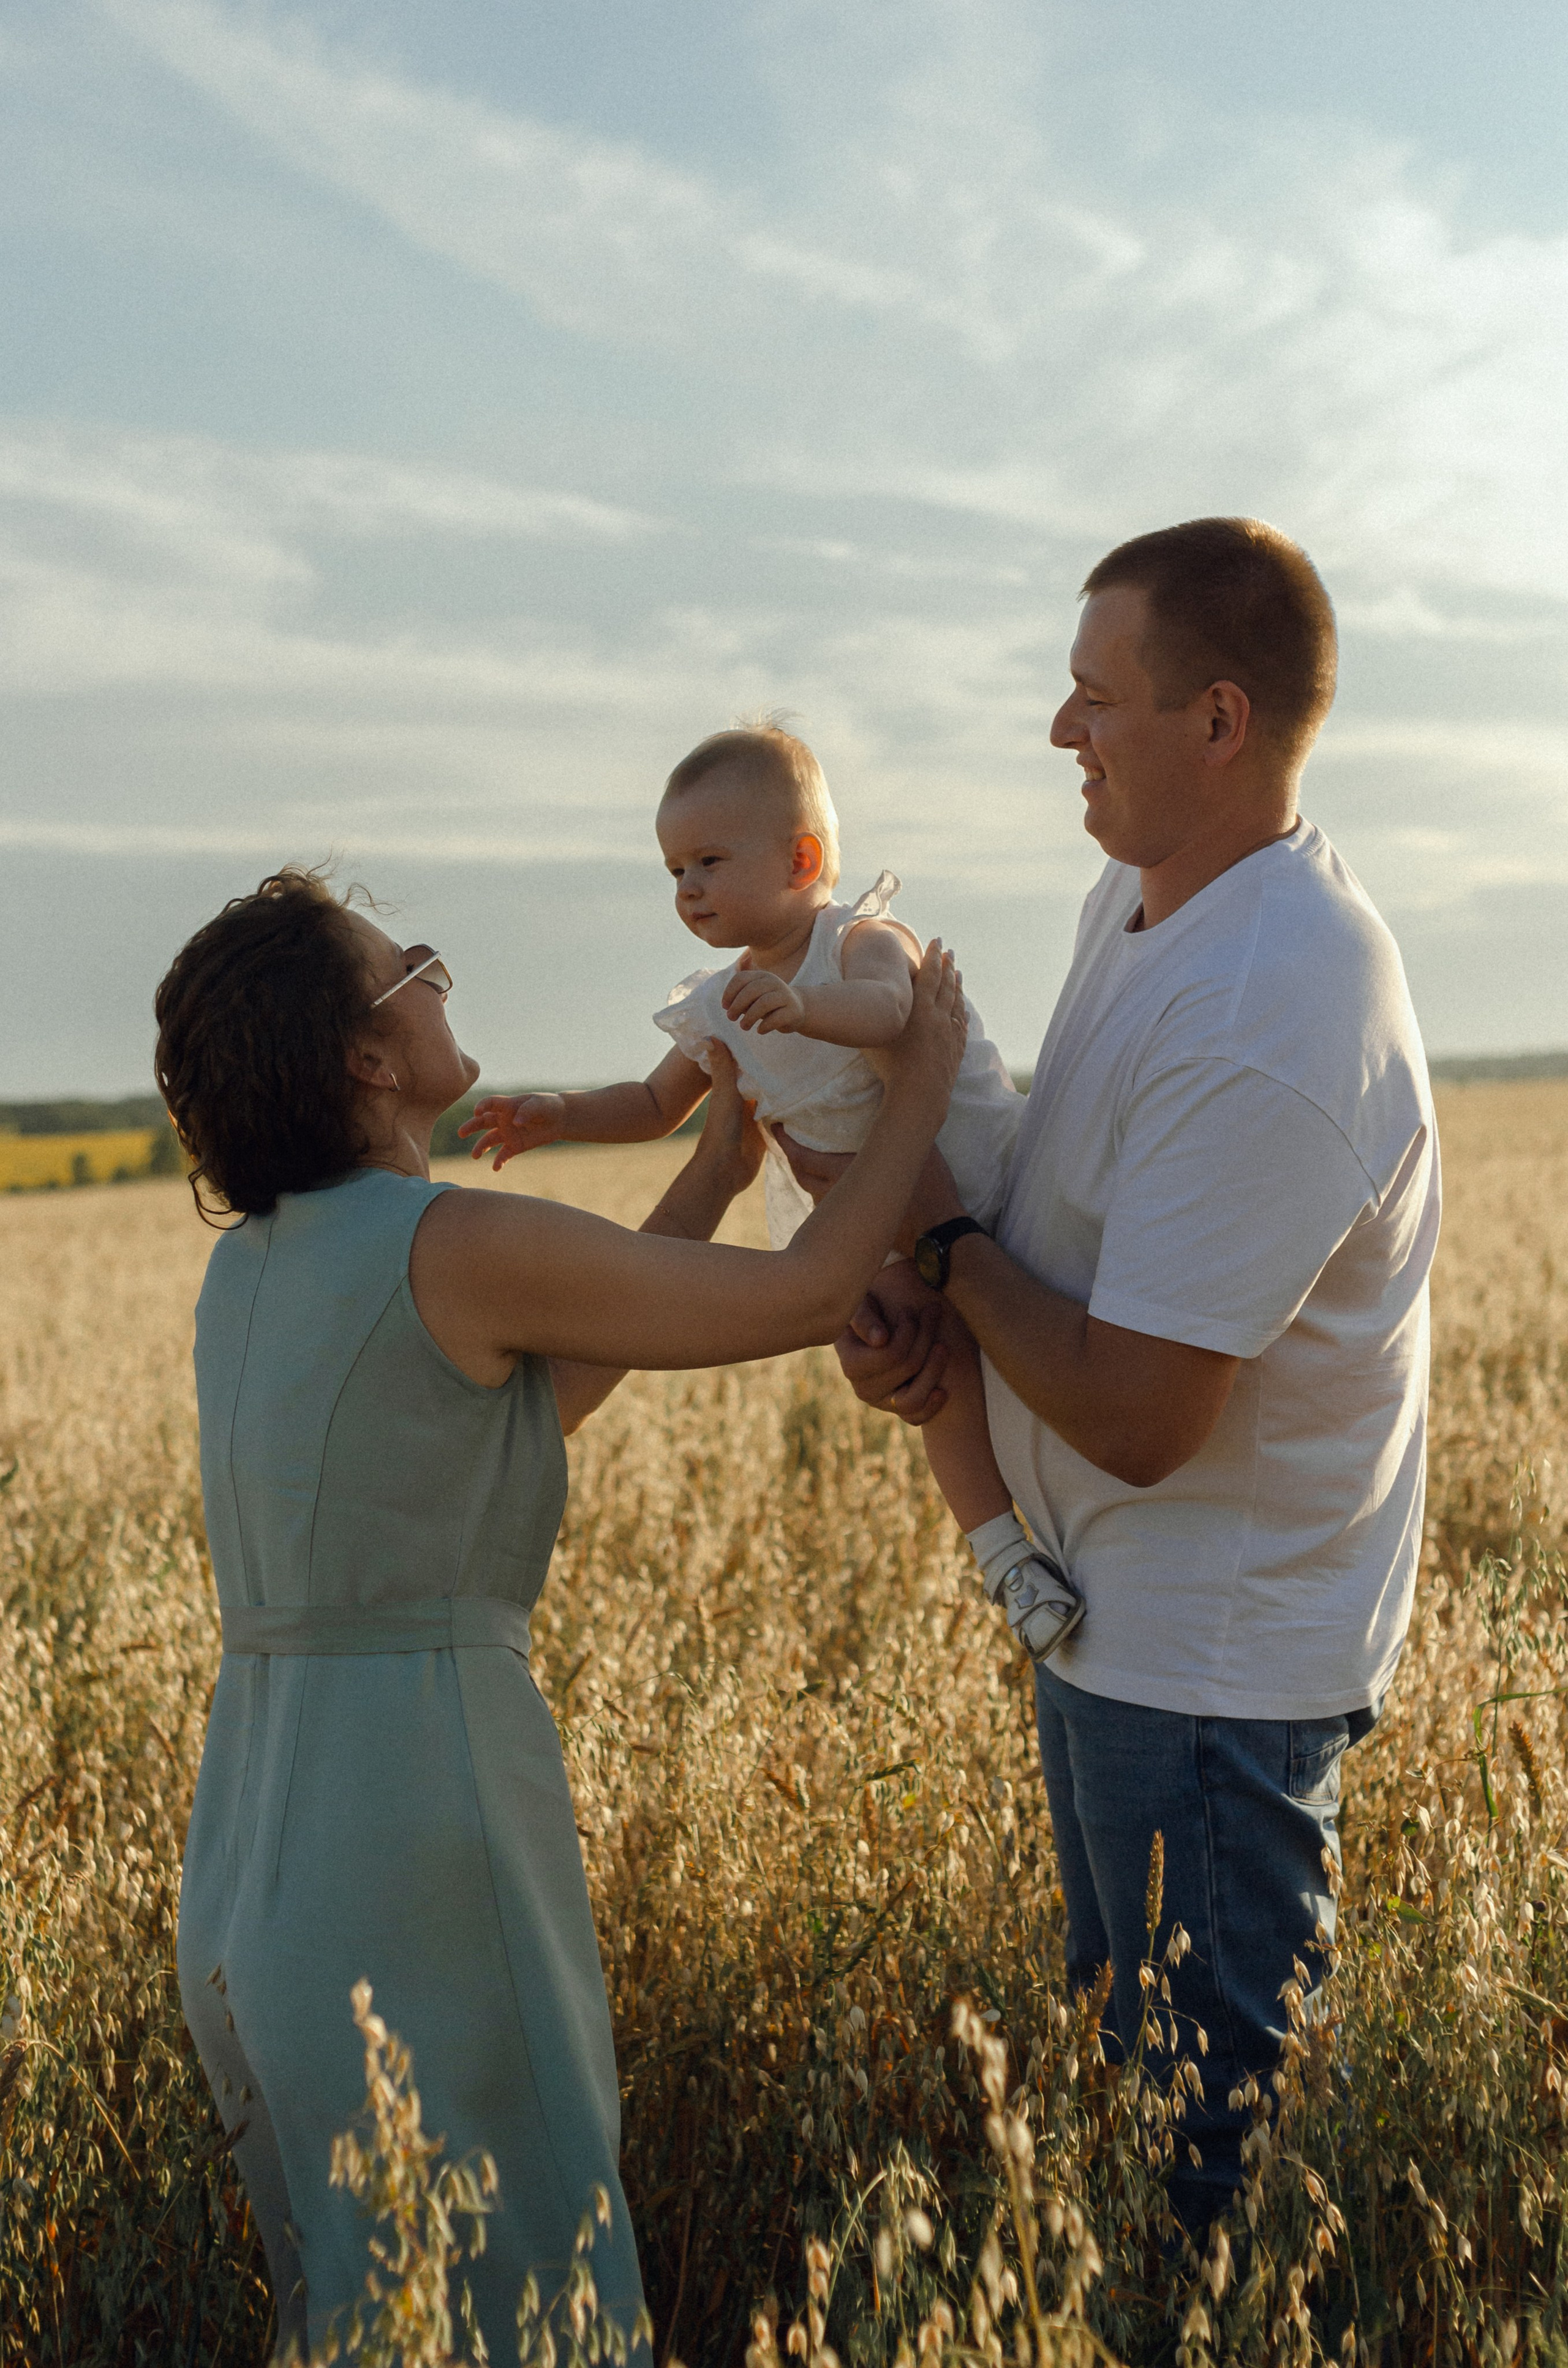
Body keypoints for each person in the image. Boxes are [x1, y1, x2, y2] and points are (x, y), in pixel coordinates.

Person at [155, 867, 966, 2359]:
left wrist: (717, 1166)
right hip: (422, 1807)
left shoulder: (249, 1269)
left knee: (374, 2298)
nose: (442, 980)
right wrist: (918, 1074)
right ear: (368, 1058)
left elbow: (520, 1405)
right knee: (531, 2277)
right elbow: (800, 1296)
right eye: (416, 968)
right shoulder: (445, 1240)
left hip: (262, 1825)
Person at [787, 517, 1441, 2233]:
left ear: (1218, 722)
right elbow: (1075, 1230)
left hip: (1209, 1678)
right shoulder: (1147, 898)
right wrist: (949, 1328)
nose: (1059, 732)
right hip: (1113, 1631)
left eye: (1096, 698)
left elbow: (1148, 1420)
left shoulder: (1272, 1004)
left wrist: (937, 1235)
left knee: (1192, 2180)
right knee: (1118, 2091)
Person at [461, 723, 1082, 1666]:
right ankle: (1005, 1558)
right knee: (928, 1365)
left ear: (803, 858)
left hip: (978, 1176)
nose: (689, 890)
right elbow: (656, 1100)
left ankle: (1060, 1529)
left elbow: (896, 1013)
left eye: (709, 861)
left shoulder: (859, 938)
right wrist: (557, 1113)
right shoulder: (722, 998)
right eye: (674, 871)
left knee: (1017, 1332)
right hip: (864, 1219)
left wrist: (805, 1010)